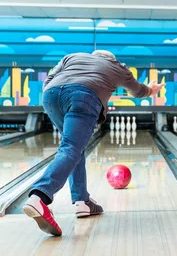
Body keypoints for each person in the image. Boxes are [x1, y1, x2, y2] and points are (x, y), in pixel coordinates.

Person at [22, 50, 164, 236]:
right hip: (84, 97)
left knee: (73, 147)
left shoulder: (72, 57)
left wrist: (55, 93)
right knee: (71, 147)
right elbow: (138, 91)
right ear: (111, 59)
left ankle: (82, 201)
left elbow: (49, 79)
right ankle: (39, 196)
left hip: (51, 95)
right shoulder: (117, 67)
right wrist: (151, 90)